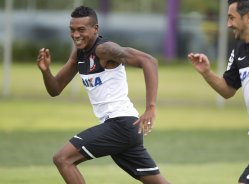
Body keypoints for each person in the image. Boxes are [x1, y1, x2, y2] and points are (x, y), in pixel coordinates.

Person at [37, 6, 169, 184]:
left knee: (63, 159)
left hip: (121, 124)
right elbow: (55, 89)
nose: (76, 35)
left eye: (81, 30)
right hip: (126, 129)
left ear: (95, 29)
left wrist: (151, 107)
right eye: (72, 30)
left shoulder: (104, 50)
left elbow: (149, 61)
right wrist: (45, 71)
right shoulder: (79, 55)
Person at [188, 0, 249, 183]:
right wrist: (207, 73)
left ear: (248, 17)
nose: (228, 24)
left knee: (246, 181)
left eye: (231, 18)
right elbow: (228, 90)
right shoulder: (239, 50)